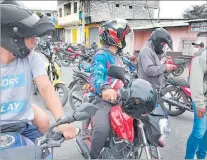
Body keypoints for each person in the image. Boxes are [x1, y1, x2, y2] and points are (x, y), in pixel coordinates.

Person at [0, 1, 77, 142]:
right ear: (10, 35)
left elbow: (46, 88)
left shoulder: (31, 57)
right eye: (29, 35)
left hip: (22, 125)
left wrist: (62, 120)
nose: (35, 41)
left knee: (44, 148)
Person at [78, 18, 131, 159]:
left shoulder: (117, 56)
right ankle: (94, 155)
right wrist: (105, 88)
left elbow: (127, 74)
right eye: (122, 35)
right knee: (102, 129)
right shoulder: (101, 55)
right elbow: (96, 76)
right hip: (102, 99)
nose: (124, 38)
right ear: (113, 36)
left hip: (120, 98)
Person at [185, 48, 207, 159]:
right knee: (198, 133)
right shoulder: (202, 56)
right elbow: (196, 81)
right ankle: (188, 157)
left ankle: (201, 156)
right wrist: (199, 104)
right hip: (203, 101)